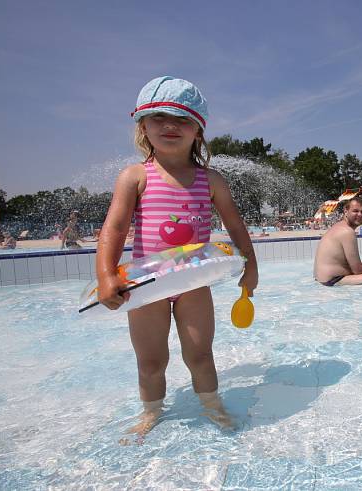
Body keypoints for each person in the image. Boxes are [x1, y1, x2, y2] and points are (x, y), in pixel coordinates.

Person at [95, 76, 259, 438]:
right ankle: (151, 414)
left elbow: (235, 224)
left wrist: (251, 266)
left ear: (198, 130)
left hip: (193, 283)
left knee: (200, 355)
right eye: (159, 118)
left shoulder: (211, 180)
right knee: (151, 361)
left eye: (182, 119)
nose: (170, 126)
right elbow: (115, 227)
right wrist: (106, 276)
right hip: (146, 286)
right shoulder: (135, 177)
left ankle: (213, 406)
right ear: (143, 126)